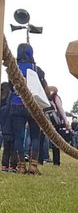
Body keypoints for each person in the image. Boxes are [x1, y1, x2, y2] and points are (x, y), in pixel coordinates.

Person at [8, 42, 50, 174]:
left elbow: (10, 87)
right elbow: (43, 89)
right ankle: (33, 165)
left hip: (16, 104)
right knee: (35, 136)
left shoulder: (13, 68)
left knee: (19, 137)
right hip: (33, 106)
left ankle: (21, 166)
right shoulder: (37, 70)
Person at [1, 81, 17, 172]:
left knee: (6, 150)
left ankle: (4, 166)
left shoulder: (2, 109)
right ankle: (12, 166)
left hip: (5, 131)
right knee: (13, 150)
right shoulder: (13, 109)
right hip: (13, 131)